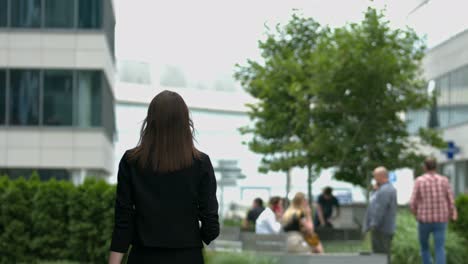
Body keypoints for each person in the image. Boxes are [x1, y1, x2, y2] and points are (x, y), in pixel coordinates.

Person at [108, 91, 220, 264]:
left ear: (150, 122)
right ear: (185, 123)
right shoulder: (201, 163)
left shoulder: (131, 161)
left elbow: (123, 221)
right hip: (187, 256)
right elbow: (211, 225)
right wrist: (191, 237)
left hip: (143, 256)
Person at [410, 157, 457, 264]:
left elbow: (413, 202)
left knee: (424, 247)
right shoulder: (444, 180)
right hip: (441, 219)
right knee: (440, 247)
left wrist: (415, 214)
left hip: (424, 220)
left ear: (424, 167)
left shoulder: (419, 181)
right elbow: (450, 199)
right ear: (436, 166)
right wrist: (452, 212)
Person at [364, 166, 397, 263]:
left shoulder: (385, 190)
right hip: (384, 228)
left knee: (381, 255)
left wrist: (373, 224)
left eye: (375, 176)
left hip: (382, 228)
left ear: (381, 176)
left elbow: (379, 209)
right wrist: (375, 190)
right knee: (381, 254)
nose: (374, 179)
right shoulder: (383, 189)